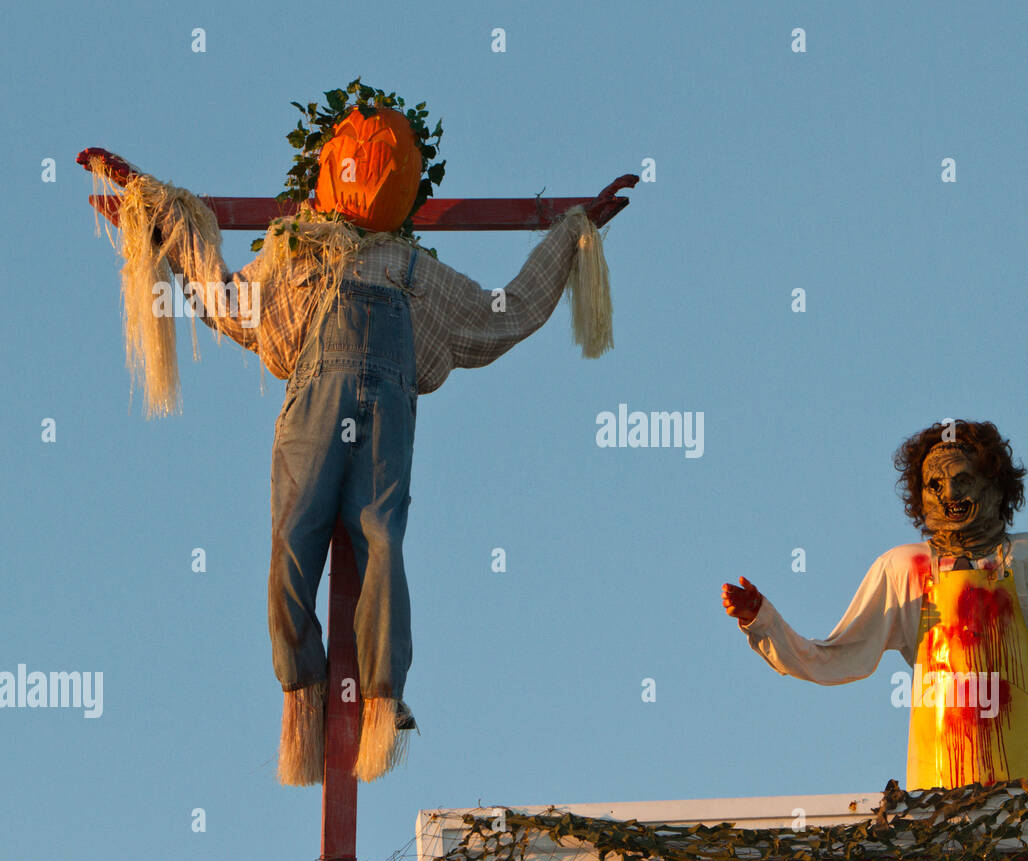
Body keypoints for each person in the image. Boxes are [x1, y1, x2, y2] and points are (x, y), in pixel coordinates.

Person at [78, 90, 632, 786]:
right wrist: (151, 214)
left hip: (370, 417)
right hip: (328, 405)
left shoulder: (414, 272)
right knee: (295, 539)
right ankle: (303, 692)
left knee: (380, 542)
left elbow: (505, 310)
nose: (365, 164)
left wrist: (574, 236)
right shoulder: (298, 253)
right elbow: (225, 295)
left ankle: (377, 702)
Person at [722, 419, 1028, 790]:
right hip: (937, 796)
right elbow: (834, 657)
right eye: (934, 485)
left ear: (995, 484)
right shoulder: (903, 568)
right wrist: (765, 621)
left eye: (962, 479)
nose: (948, 494)